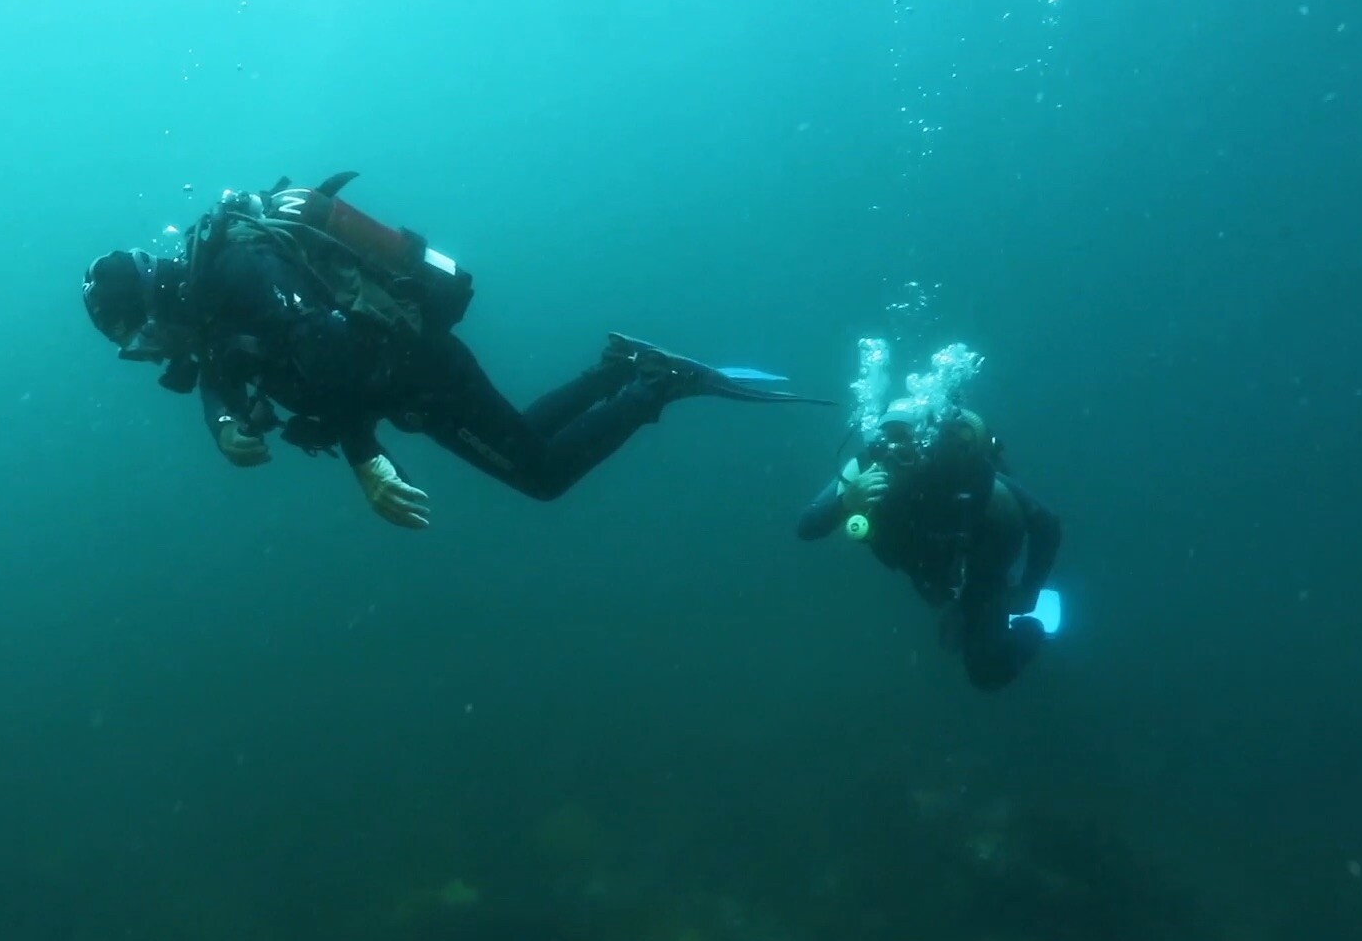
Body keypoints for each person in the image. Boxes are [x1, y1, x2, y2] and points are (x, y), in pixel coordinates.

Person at [83, 171, 831, 529]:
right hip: (412, 382)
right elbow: (220, 373)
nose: (150, 351)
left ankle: (656, 384)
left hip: (420, 373)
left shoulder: (236, 272)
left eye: (138, 335)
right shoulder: (206, 309)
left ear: (152, 300)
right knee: (526, 439)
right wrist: (222, 425)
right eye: (133, 349)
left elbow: (334, 353)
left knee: (542, 476)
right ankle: (617, 368)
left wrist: (363, 458)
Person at [797, 405, 1062, 691]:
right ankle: (959, 609)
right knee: (948, 624)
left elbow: (1046, 523)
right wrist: (845, 503)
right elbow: (807, 526)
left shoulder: (962, 472)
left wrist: (1029, 592)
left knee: (986, 670)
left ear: (925, 442)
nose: (894, 452)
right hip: (925, 568)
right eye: (888, 438)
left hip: (980, 562)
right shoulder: (864, 471)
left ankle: (1033, 627)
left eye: (904, 439)